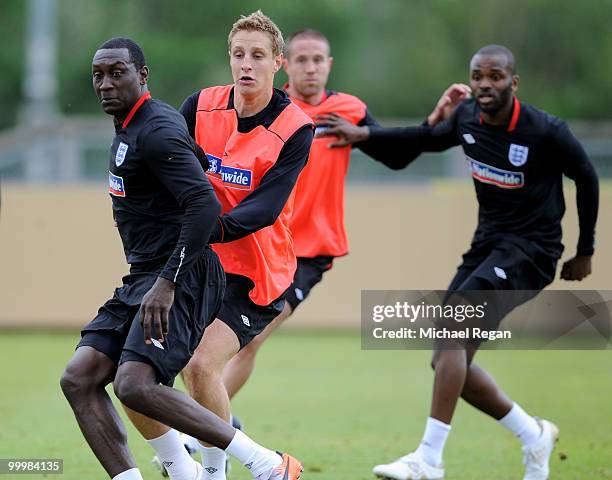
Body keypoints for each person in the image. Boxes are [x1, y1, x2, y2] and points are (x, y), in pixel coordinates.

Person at [318, 44, 599, 480]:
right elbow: (426, 139)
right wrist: (366, 135)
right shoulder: (467, 115)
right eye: (478, 76)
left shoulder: (544, 130)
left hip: (532, 252)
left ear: (513, 82)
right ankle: (533, 434)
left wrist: (586, 250)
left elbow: (587, 177)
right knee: (447, 357)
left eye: (496, 76)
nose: (485, 84)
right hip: (487, 245)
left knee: (451, 330)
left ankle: (429, 459)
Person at [60, 37, 301, 480]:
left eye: (118, 73)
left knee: (143, 381)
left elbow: (205, 205)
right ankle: (180, 473)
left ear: (142, 75)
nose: (106, 84)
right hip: (145, 274)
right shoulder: (132, 126)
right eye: (99, 75)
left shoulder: (158, 129)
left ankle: (261, 464)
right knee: (80, 377)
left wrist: (167, 282)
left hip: (184, 274)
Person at [221, 27, 472, 401]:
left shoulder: (348, 110)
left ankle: (202, 432)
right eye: (302, 60)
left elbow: (396, 157)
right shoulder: (266, 108)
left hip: (308, 252)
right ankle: (214, 421)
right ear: (285, 64)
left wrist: (432, 123)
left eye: (318, 60)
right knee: (216, 339)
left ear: (329, 64)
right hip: (259, 243)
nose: (310, 68)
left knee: (250, 339)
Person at [124, 12, 314, 480]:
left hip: (256, 272)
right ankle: (187, 464)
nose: (245, 65)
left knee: (201, 365)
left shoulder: (295, 127)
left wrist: (202, 226)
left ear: (278, 64)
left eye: (257, 56)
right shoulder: (200, 105)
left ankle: (214, 472)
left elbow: (266, 209)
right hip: (195, 262)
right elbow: (168, 172)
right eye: (237, 55)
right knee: (135, 374)